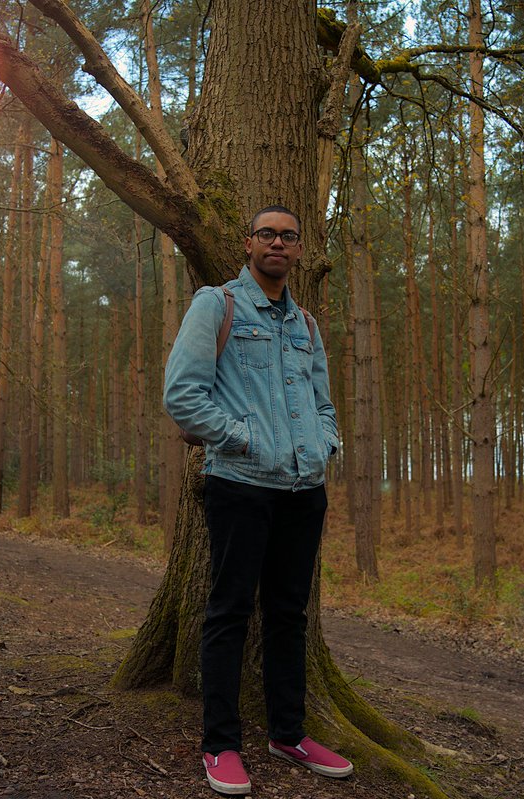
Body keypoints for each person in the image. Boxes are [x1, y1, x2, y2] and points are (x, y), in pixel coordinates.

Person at [163, 206, 353, 795]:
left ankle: (288, 733)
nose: (278, 243)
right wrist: (244, 438)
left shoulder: (307, 326)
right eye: (267, 234)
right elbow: (182, 395)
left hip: (304, 490)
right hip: (240, 486)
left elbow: (323, 403)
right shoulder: (216, 305)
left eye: (288, 236)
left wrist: (326, 446)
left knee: (290, 615)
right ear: (249, 244)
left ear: (300, 250)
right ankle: (220, 743)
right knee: (228, 613)